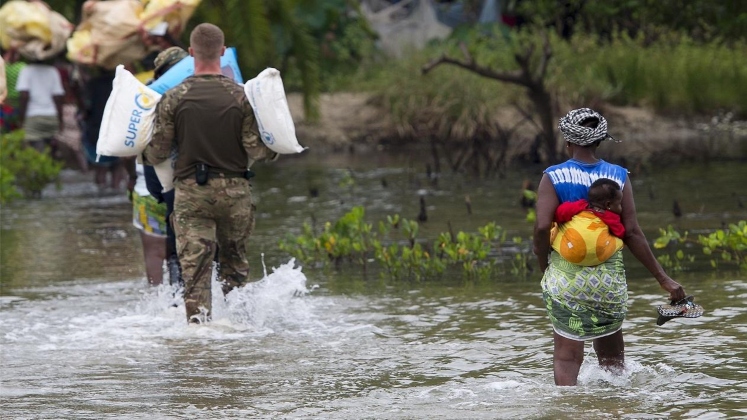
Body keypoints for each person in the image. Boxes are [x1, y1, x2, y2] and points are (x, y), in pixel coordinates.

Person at [532, 108, 686, 386]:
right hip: (608, 281)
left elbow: (542, 228)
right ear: (599, 140)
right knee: (613, 358)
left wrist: (545, 267)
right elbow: (633, 232)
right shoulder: (618, 175)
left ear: (568, 141)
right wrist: (663, 278)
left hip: (567, 279)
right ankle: (615, 409)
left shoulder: (552, 176)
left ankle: (567, 411)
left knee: (567, 357)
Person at [143, 23, 278, 324]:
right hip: (235, 194)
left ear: (191, 54)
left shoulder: (173, 98)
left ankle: (200, 343)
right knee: (235, 271)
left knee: (195, 274)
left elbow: (157, 153)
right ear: (223, 52)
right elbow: (258, 150)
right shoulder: (243, 97)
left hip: (192, 196)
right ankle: (239, 333)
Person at [550, 178, 624, 267]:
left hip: (570, 252)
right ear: (608, 205)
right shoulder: (611, 217)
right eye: (619, 203)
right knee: (620, 242)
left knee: (555, 227)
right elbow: (620, 233)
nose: (621, 207)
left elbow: (558, 214)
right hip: (598, 256)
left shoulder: (578, 206)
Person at [15, 58, 64, 153]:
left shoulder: (26, 71)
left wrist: (21, 119)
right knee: (51, 150)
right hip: (51, 116)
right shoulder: (53, 71)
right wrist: (61, 120)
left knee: (36, 153)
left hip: (33, 117)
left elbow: (24, 96)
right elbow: (58, 97)